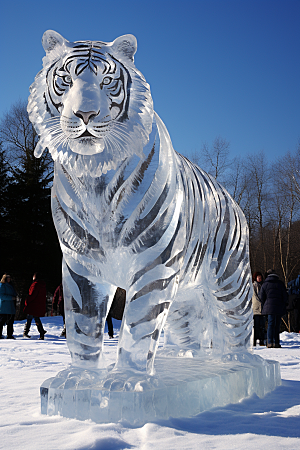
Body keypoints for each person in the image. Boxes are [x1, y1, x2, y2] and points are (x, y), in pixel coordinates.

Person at [259, 269, 288, 348]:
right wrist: (283, 304)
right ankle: (276, 342)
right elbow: (285, 296)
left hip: (269, 307)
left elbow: (261, 296)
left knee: (270, 324)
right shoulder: (280, 283)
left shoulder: (265, 284)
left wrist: (265, 304)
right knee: (277, 325)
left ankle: (270, 342)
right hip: (278, 307)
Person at [23, 272, 47, 340]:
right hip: (39, 304)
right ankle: (41, 332)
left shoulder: (35, 285)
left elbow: (32, 295)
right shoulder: (42, 285)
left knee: (29, 318)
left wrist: (27, 300)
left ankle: (26, 332)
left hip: (33, 304)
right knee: (36, 318)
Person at [0, 274, 17, 339]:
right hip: (4, 307)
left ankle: (9, 335)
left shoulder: (11, 285)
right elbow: (1, 296)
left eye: (10, 278)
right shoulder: (2, 285)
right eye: (8, 278)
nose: (9, 279)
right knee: (1, 321)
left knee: (10, 321)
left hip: (10, 306)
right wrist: (11, 298)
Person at [252, 271, 265, 346]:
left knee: (262, 326)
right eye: (258, 277)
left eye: (260, 277)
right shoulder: (253, 286)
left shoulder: (263, 285)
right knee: (255, 326)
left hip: (262, 309)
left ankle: (262, 340)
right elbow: (254, 296)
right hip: (255, 308)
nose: (259, 278)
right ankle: (254, 341)